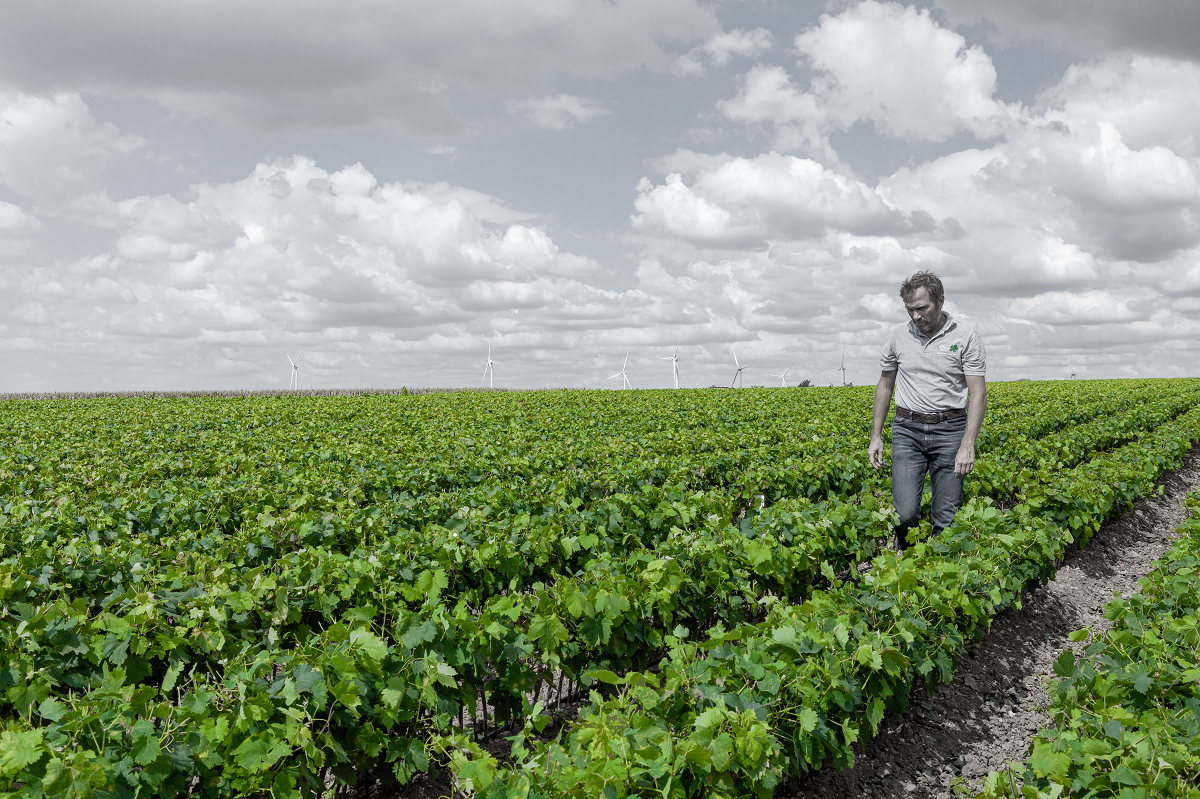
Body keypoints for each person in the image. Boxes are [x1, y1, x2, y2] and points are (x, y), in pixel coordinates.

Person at [867, 271, 986, 548]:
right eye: (910, 310)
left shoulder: (966, 337)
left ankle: (938, 574)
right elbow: (885, 385)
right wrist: (876, 435)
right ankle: (911, 565)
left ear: (940, 301)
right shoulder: (897, 336)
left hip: (950, 430)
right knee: (904, 513)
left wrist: (968, 444)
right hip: (907, 429)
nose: (916, 316)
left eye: (922, 308)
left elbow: (978, 393)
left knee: (946, 517)